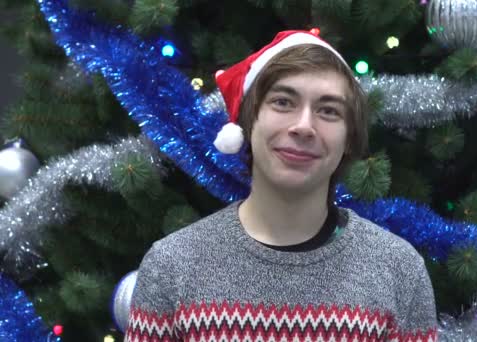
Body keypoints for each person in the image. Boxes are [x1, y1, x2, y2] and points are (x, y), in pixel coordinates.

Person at [125, 30, 438, 341]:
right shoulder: (172, 265)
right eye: (283, 102)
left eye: (328, 110)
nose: (303, 126)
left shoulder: (398, 269)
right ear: (248, 122)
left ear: (348, 139)